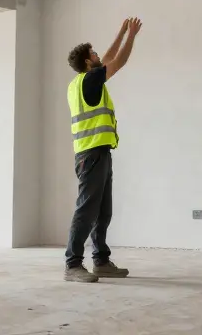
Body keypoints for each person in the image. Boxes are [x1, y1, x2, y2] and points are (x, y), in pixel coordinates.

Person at [62, 17, 142, 283]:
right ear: (88, 62)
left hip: (98, 152)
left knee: (103, 211)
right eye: (94, 54)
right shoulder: (90, 80)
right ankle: (73, 264)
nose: (99, 56)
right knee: (86, 210)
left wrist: (120, 31)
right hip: (91, 154)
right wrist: (131, 36)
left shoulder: (83, 81)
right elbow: (117, 62)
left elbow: (107, 57)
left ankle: (101, 261)